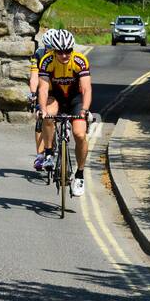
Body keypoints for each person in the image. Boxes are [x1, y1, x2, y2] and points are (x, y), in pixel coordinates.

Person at [36, 29, 93, 197]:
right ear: (54, 50)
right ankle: (48, 153)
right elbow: (44, 89)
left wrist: (84, 110)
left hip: (76, 98)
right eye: (60, 52)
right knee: (48, 116)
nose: (64, 55)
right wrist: (42, 110)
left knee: (80, 134)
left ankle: (80, 175)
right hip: (55, 97)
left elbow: (87, 88)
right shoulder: (47, 61)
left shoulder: (79, 60)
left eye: (68, 51)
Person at [30, 29, 62, 171]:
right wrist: (32, 93)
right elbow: (34, 76)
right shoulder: (38, 55)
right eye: (48, 48)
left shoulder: (62, 55)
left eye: (53, 48)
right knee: (40, 120)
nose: (51, 51)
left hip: (60, 90)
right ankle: (40, 155)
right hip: (45, 90)